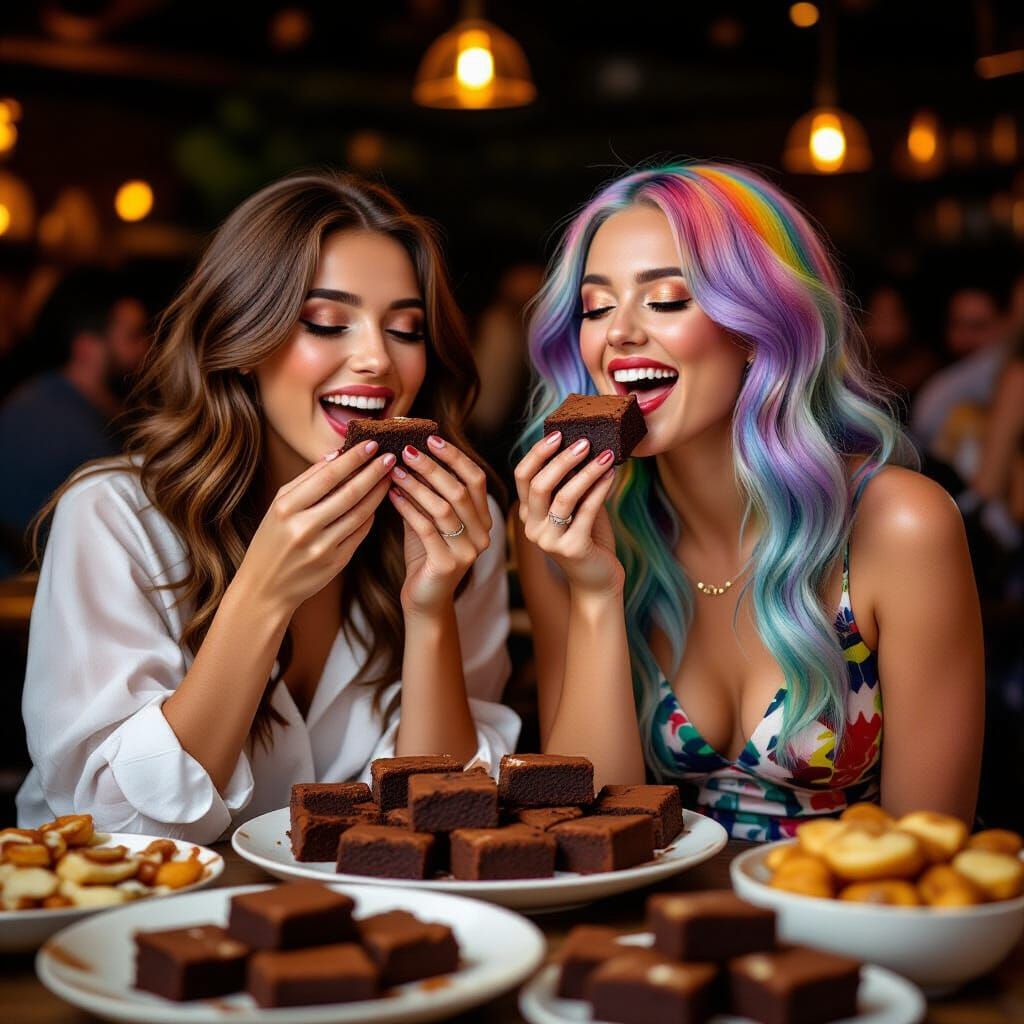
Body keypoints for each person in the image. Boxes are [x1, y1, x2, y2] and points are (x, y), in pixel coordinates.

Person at [17, 172, 518, 842]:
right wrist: (262, 592)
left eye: (405, 330)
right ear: (245, 341)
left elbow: (444, 823)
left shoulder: (454, 530)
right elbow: (118, 826)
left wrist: (430, 608)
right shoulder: (115, 517)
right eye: (326, 322)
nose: (376, 359)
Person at [513, 162, 984, 841]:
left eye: (667, 299)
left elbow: (928, 864)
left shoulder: (900, 526)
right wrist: (594, 594)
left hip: (849, 933)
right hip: (645, 936)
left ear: (756, 326)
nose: (618, 333)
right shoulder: (570, 529)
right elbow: (583, 836)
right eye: (595, 307)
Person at [0, 269, 150, 575]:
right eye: (133, 337)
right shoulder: (65, 433)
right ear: (86, 349)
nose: (145, 350)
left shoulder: (43, 400)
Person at [910, 282, 1013, 455]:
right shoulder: (929, 369)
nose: (965, 337)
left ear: (1005, 325)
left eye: (978, 327)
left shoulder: (1006, 368)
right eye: (957, 325)